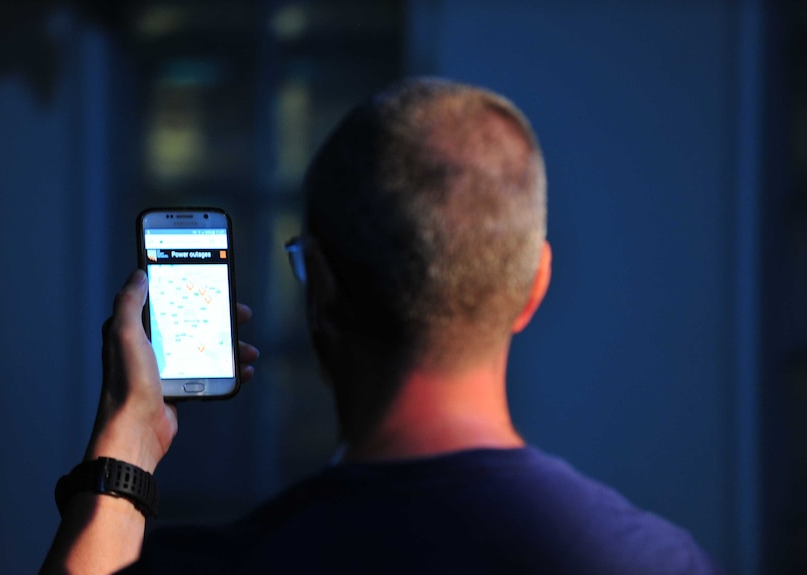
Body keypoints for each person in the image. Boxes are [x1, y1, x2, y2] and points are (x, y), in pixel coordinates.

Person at [41, 78, 723, 574]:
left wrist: (124, 451)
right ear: (533, 286)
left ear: (322, 289)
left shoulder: (223, 565)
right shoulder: (661, 560)